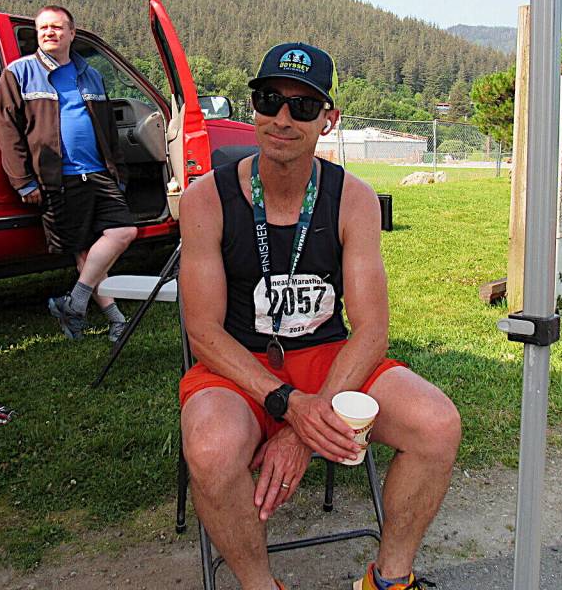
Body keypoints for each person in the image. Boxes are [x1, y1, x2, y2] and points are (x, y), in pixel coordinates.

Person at [178, 42, 461, 590]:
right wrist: (287, 405)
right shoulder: (206, 199)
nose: (282, 119)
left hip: (330, 362)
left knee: (437, 424)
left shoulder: (352, 199)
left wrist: (306, 429)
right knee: (211, 450)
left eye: (303, 107)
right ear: (253, 107)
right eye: (269, 101)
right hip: (237, 368)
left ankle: (389, 580)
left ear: (327, 121)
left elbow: (372, 330)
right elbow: (204, 333)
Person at [0, 5, 137, 341]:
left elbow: (108, 127)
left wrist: (117, 169)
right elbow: (6, 131)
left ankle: (73, 303)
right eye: (43, 28)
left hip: (98, 172)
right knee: (86, 252)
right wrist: (23, 181)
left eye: (57, 27)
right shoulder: (19, 73)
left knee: (124, 231)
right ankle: (115, 320)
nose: (49, 32)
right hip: (59, 177)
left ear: (72, 33)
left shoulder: (91, 74)